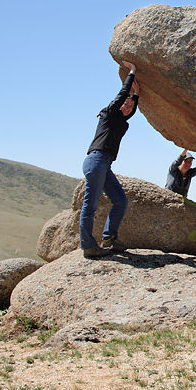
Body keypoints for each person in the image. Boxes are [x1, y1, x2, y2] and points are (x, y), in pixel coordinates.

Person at [79, 60, 139, 258]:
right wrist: (131, 74)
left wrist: (136, 96)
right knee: (91, 205)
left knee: (120, 200)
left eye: (131, 106)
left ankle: (109, 239)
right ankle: (88, 246)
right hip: (96, 160)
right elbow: (121, 96)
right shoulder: (107, 114)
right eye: (126, 104)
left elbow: (130, 110)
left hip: (104, 164)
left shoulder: (122, 123)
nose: (128, 107)